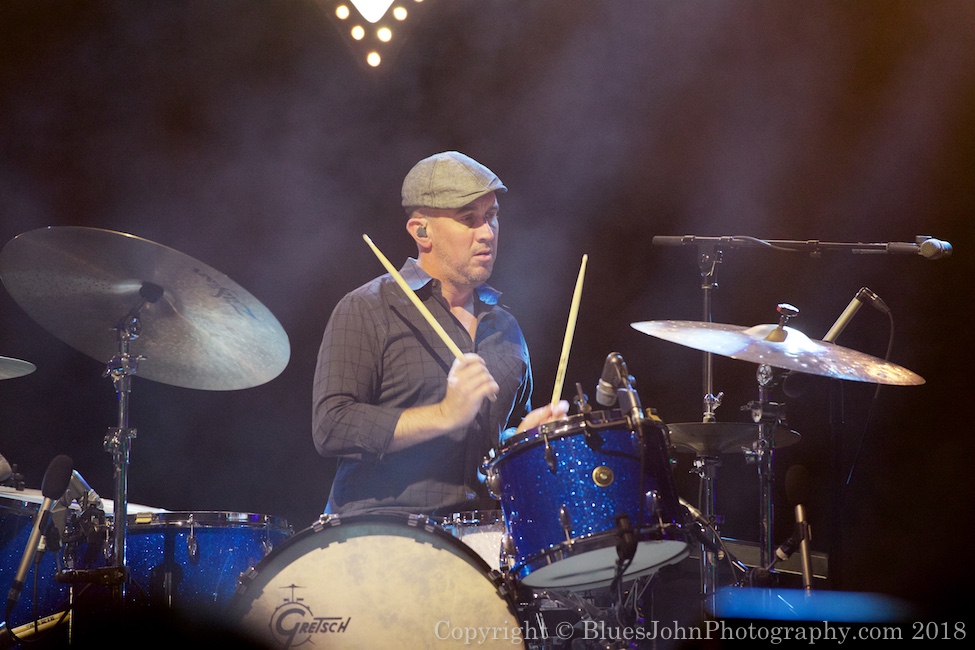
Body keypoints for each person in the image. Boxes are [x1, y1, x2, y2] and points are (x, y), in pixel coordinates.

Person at [313, 151, 567, 517]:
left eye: (491, 217)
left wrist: (526, 438)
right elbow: (331, 425)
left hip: (481, 539)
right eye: (468, 220)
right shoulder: (368, 308)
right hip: (381, 535)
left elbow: (496, 442)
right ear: (421, 231)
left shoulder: (505, 326)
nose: (486, 233)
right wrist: (445, 414)